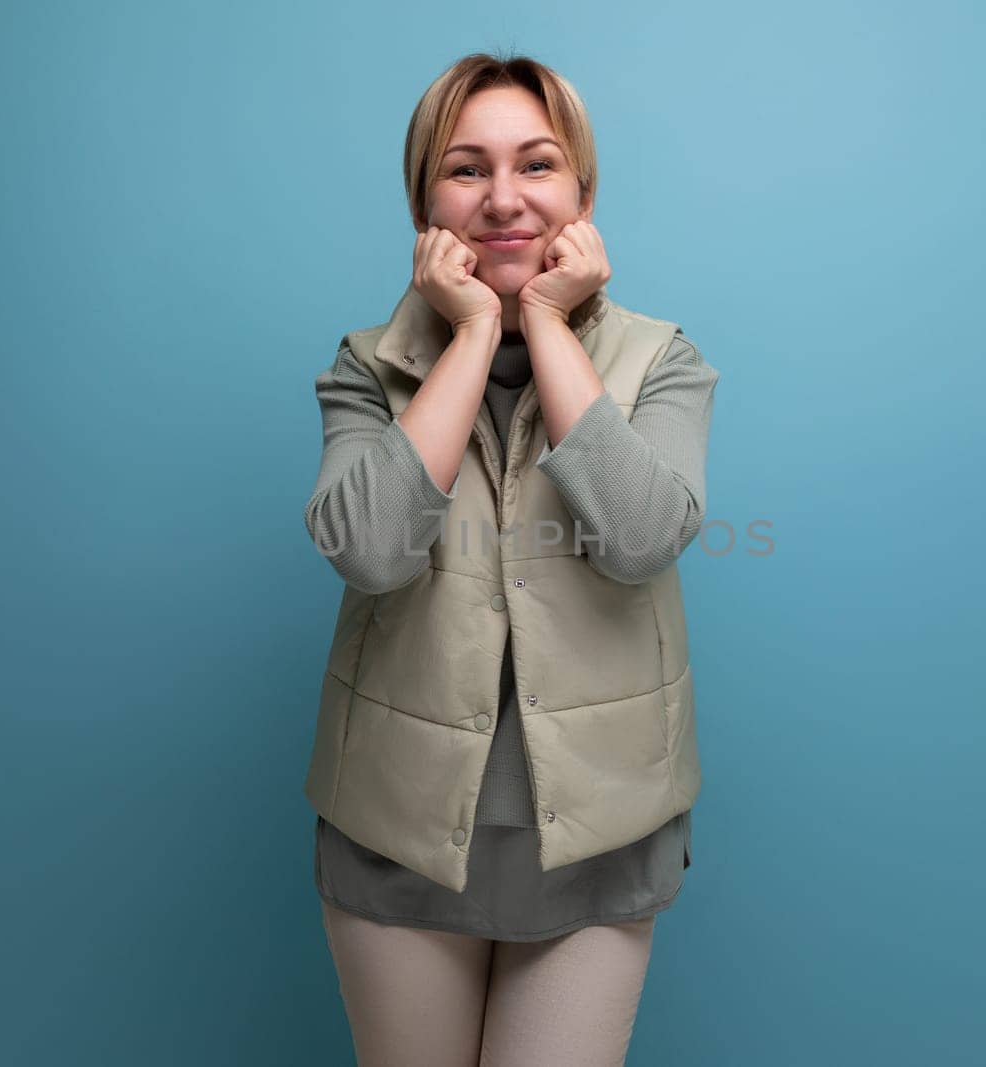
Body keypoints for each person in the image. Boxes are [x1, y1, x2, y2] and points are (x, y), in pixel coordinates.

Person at [300, 51, 718, 1066]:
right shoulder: (367, 365)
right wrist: (475, 330)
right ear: (423, 199)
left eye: (535, 165)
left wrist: (540, 316)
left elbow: (640, 539)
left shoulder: (663, 359)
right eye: (464, 169)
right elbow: (370, 552)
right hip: (398, 837)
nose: (502, 199)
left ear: (581, 191)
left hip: (597, 839)